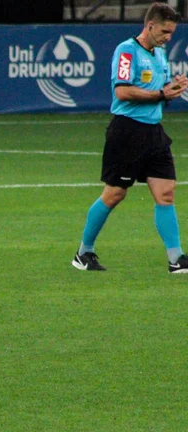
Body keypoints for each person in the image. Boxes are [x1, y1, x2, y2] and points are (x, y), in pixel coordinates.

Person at [72, 2, 188, 273]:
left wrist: (173, 88)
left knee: (166, 192)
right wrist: (161, 94)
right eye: (165, 31)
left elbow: (159, 91)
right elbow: (122, 92)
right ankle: (83, 253)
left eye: (172, 32)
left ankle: (177, 259)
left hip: (154, 133)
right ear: (150, 25)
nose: (168, 37)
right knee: (114, 194)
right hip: (127, 132)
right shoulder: (126, 51)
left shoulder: (160, 54)